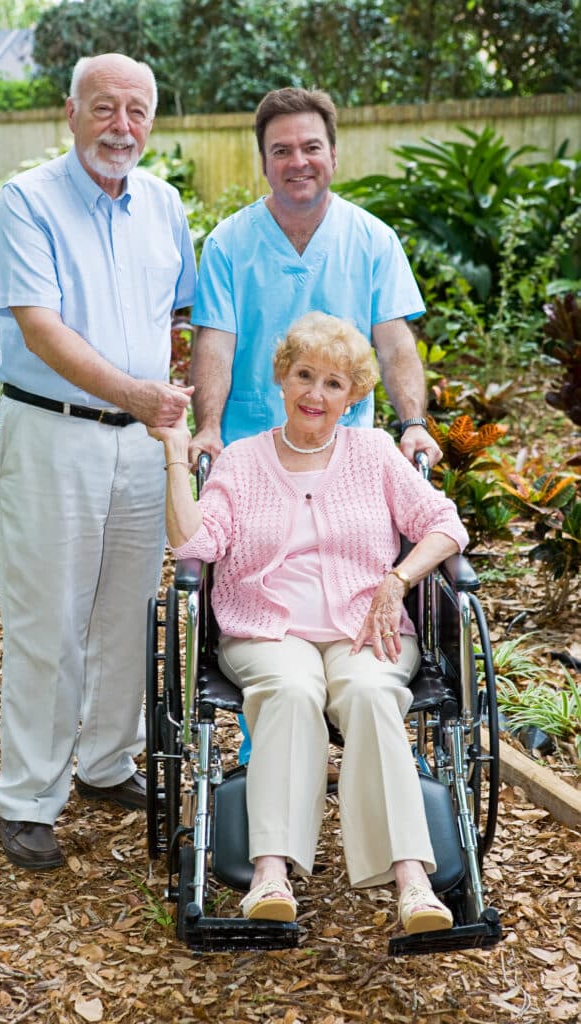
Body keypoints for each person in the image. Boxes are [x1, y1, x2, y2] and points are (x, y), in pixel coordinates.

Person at [149, 312, 468, 933]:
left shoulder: (373, 452)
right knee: (293, 692)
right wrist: (172, 452)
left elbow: (444, 524)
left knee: (375, 693)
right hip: (268, 628)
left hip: (364, 626)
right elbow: (195, 544)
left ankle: (412, 880)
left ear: (352, 397)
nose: (315, 394)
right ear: (281, 378)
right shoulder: (241, 461)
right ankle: (270, 872)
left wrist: (398, 578)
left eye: (333, 383)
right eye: (304, 376)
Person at [0, 53, 197, 871]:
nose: (122, 126)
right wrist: (140, 397)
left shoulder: (165, 205)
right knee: (49, 622)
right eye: (104, 108)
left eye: (137, 110)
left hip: (144, 448)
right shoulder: (28, 202)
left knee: (127, 613)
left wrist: (165, 409)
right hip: (52, 433)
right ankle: (30, 799)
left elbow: (174, 317)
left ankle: (108, 764)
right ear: (68, 112)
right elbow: (40, 327)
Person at [189, 86, 441, 469]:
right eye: (281, 151)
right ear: (263, 162)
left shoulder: (374, 240)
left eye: (311, 147)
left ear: (334, 155)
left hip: (345, 454)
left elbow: (395, 348)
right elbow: (215, 348)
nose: (298, 162)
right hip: (250, 452)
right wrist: (207, 427)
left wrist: (413, 424)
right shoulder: (227, 243)